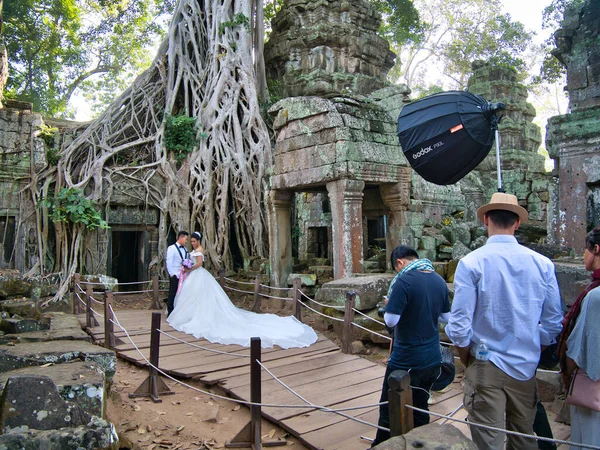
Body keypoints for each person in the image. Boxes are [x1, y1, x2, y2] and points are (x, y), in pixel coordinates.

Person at [445, 192, 563, 450]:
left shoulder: (471, 263)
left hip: (486, 362)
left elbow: (459, 325)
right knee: (524, 438)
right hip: (525, 365)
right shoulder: (543, 264)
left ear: (486, 219)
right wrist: (535, 345)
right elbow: (554, 321)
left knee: (489, 441)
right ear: (517, 223)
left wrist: (466, 357)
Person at [167, 231, 318, 349]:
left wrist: (190, 268)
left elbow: (199, 264)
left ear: (198, 241)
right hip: (192, 277)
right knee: (194, 297)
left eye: (193, 241)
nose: (192, 243)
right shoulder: (190, 250)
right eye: (191, 241)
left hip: (198, 274)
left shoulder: (200, 250)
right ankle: (190, 313)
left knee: (202, 296)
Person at [372, 245, 450, 446]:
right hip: (432, 357)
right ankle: (423, 442)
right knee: (421, 404)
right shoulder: (438, 280)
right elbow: (445, 317)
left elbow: (390, 320)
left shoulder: (404, 281)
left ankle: (383, 444)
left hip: (406, 359)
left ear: (400, 262)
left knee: (389, 405)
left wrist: (390, 305)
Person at [558, 227, 600, 448]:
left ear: (596, 249)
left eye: (585, 249)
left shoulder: (595, 296)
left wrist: (568, 370)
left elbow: (578, 349)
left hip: (593, 388)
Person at [166, 230, 189, 316]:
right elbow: (169, 262)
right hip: (175, 274)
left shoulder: (186, 250)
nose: (186, 241)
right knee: (172, 292)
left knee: (181, 293)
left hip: (183, 275)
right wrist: (172, 274)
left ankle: (179, 310)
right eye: (186, 239)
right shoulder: (172, 248)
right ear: (180, 238)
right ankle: (170, 311)